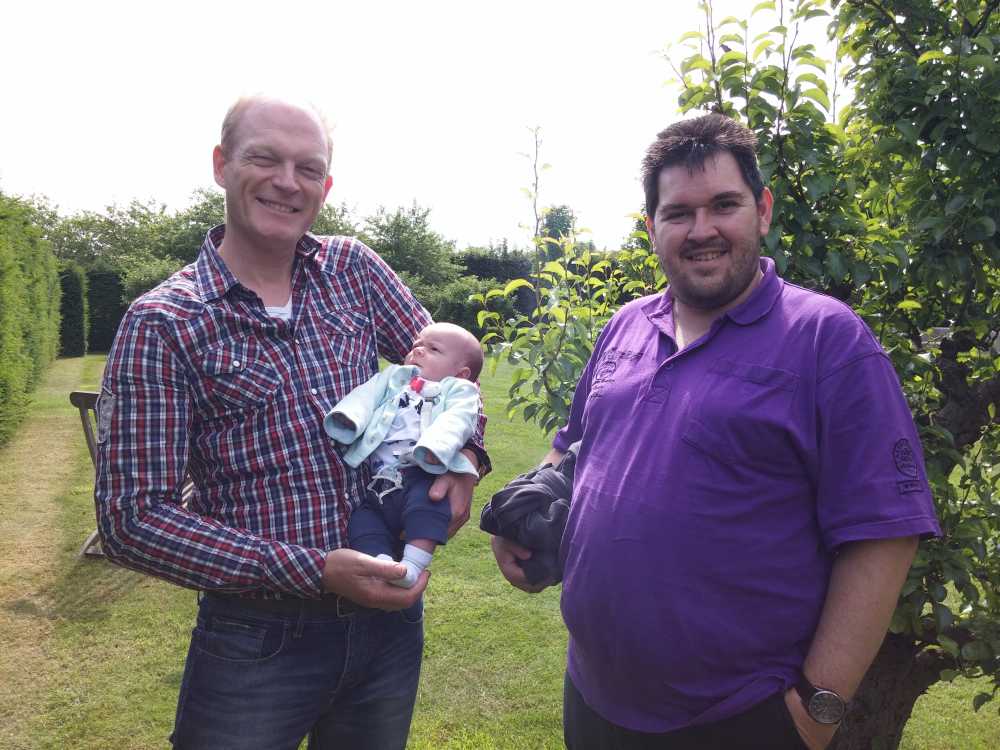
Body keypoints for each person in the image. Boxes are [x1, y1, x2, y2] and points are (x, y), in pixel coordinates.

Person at [490, 113, 940, 750]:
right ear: (652, 228)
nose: (702, 230)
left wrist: (816, 709)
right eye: (678, 213)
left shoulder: (827, 339)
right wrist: (528, 510)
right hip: (593, 696)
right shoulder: (625, 325)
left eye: (724, 205)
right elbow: (572, 449)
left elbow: (885, 532)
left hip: (741, 716)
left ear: (763, 210)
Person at [94, 95, 488, 750]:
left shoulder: (355, 272)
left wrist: (467, 458)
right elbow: (132, 519)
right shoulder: (163, 322)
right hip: (255, 640)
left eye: (309, 169)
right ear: (221, 165)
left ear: (325, 187)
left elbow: (454, 377)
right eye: (264, 159)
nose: (287, 182)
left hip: (389, 627)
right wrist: (312, 569)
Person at [324, 322, 484, 588]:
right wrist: (349, 418)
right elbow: (366, 396)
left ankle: (413, 565)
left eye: (433, 349)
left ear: (461, 373)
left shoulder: (460, 391)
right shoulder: (395, 378)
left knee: (428, 510)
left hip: (422, 472)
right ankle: (384, 564)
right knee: (362, 520)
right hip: (379, 481)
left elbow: (459, 420)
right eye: (416, 345)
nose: (418, 350)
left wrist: (436, 447)